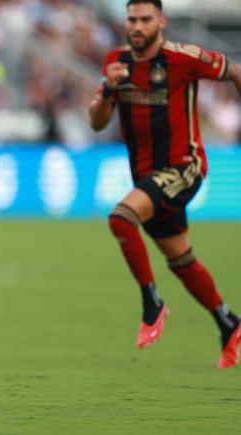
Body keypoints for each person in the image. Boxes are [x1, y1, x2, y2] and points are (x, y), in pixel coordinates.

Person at [89, 0, 241, 368]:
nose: (137, 26)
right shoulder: (117, 62)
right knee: (181, 259)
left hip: (184, 167)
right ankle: (229, 323)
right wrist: (109, 89)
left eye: (145, 20)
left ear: (161, 22)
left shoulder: (183, 58)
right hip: (146, 177)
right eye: (132, 20)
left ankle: (151, 303)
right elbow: (96, 122)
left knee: (121, 218)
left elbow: (234, 71)